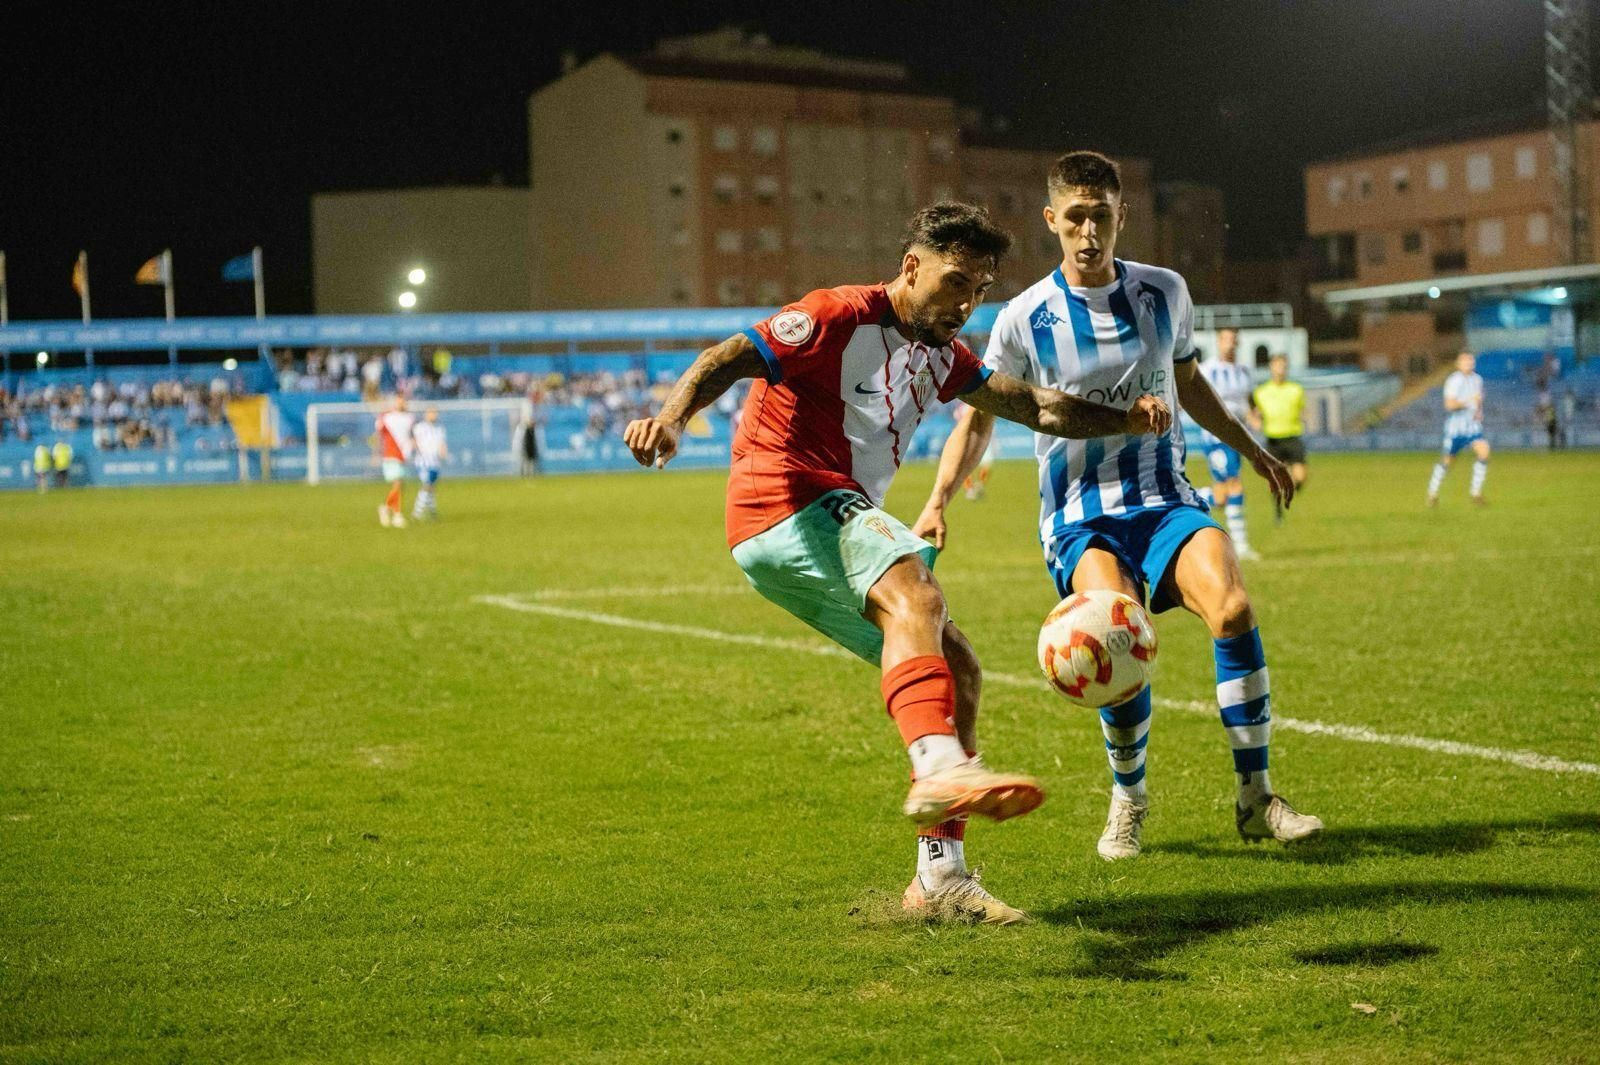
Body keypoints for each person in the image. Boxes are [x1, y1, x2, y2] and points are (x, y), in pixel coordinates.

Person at [623, 201, 1171, 923]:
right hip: (783, 493)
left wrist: (1124, 417)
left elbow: (1036, 406)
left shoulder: (943, 356)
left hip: (810, 520)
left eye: (979, 289)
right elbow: (726, 356)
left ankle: (940, 878)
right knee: (918, 591)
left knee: (961, 667)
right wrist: (671, 418)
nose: (967, 303)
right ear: (912, 267)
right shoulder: (837, 315)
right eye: (955, 282)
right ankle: (941, 766)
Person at [916, 151, 1321, 863]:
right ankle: (1128, 797)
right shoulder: (1022, 318)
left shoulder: (1166, 291)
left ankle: (1256, 797)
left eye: (1101, 214)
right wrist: (938, 497)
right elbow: (978, 419)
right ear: (1052, 220)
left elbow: (1190, 383)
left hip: (1166, 499)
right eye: (1074, 215)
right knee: (1116, 636)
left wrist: (1254, 450)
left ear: (1120, 216)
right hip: (1080, 516)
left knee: (1231, 607)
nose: (1088, 229)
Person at [1198, 328, 1260, 559]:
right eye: (1225, 339)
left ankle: (1185, 497)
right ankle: (1240, 546)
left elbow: (1249, 400)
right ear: (1218, 342)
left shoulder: (1244, 371)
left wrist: (1254, 415)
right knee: (1235, 485)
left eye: (1233, 340)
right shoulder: (1207, 369)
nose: (1229, 344)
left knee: (1222, 496)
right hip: (1215, 437)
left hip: (1237, 437)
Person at [1427, 350, 1490, 506]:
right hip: (1456, 428)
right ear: (1458, 364)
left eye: (1471, 361)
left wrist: (1478, 412)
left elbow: (1478, 401)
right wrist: (1469, 401)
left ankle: (1475, 493)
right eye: (1465, 361)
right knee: (1448, 461)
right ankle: (1432, 492)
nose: (1469, 363)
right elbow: (1449, 405)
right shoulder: (1453, 380)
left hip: (1472, 426)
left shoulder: (1477, 380)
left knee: (1484, 451)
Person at [1251, 354, 1307, 523]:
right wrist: (1255, 420)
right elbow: (1254, 412)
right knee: (1275, 479)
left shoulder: (1296, 389)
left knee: (1301, 476)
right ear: (1271, 367)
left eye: (1284, 366)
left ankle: (1289, 490)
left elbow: (1303, 409)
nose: (1281, 369)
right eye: (1278, 365)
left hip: (1292, 436)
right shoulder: (1261, 391)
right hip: (1273, 438)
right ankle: (1277, 511)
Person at [374, 396, 415, 528]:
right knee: (397, 484)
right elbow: (379, 432)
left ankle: (385, 508)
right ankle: (397, 515)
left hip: (403, 456)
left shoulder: (409, 418)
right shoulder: (387, 418)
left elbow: (411, 435)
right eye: (399, 401)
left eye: (403, 401)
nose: (402, 403)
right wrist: (377, 452)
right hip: (391, 455)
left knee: (400, 486)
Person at [411, 408, 449, 521]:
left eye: (435, 413)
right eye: (431, 413)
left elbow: (442, 444)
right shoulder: (420, 427)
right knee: (426, 484)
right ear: (426, 414)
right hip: (423, 461)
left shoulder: (440, 429)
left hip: (435, 462)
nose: (434, 415)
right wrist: (416, 450)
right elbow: (414, 441)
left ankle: (432, 512)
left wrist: (443, 452)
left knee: (431, 487)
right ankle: (416, 513)